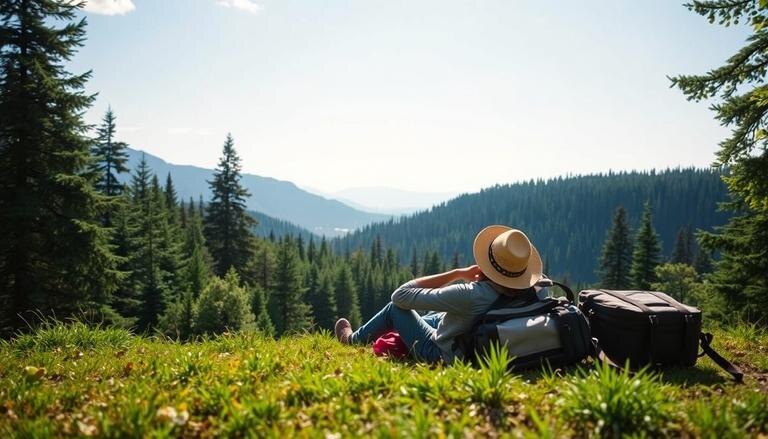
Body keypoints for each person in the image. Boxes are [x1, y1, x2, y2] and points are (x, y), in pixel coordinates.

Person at [334, 225, 545, 364]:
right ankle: (394, 336)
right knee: (435, 318)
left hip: (444, 355)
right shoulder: (538, 288)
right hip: (478, 338)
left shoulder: (472, 295)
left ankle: (353, 340)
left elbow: (400, 296)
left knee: (394, 311)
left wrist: (458, 273)